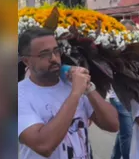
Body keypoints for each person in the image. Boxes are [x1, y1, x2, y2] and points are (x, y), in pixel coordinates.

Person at [18, 27, 119, 159]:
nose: (54, 58)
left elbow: (112, 124)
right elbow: (44, 145)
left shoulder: (72, 83)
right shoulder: (18, 96)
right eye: (44, 54)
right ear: (27, 61)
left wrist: (88, 88)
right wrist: (76, 93)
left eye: (56, 51)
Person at [107, 19, 137, 159]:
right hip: (117, 97)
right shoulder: (113, 48)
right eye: (126, 32)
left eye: (131, 32)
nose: (129, 35)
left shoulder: (135, 49)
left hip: (129, 96)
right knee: (128, 133)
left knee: (124, 131)